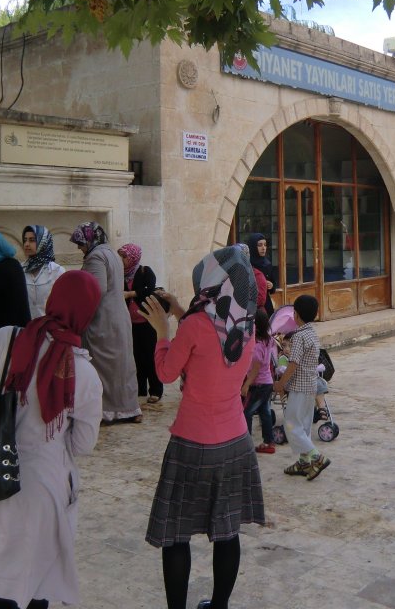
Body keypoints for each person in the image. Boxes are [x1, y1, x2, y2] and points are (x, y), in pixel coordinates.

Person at [0, 270, 104, 609]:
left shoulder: (7, 338)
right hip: (44, 487)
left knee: (0, 578)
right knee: (37, 585)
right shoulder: (86, 374)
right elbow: (83, 445)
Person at [139, 245, 264, 609]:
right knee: (227, 532)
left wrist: (163, 330)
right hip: (235, 441)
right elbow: (214, 339)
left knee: (176, 535)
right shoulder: (246, 324)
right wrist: (179, 311)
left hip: (192, 443)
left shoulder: (194, 326)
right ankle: (219, 605)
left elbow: (165, 372)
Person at [71, 222, 141, 424]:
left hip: (103, 320)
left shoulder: (95, 257)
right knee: (122, 366)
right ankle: (128, 408)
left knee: (104, 366)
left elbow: (96, 289)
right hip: (119, 317)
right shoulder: (111, 253)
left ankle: (107, 411)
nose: (80, 248)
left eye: (81, 243)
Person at [273, 295, 330, 480]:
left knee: (291, 424)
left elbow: (293, 363)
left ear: (295, 315)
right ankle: (304, 462)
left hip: (299, 387)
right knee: (303, 425)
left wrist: (281, 383)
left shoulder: (298, 337)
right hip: (310, 386)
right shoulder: (311, 333)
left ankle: (316, 457)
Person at [118, 242, 163, 404]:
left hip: (148, 321)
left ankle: (156, 390)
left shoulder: (145, 271)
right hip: (130, 323)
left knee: (150, 356)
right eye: (121, 256)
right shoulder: (120, 274)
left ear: (133, 257)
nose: (122, 259)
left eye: (125, 256)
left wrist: (130, 293)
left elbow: (150, 290)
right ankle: (140, 388)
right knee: (136, 356)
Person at [242, 308, 277, 454]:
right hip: (267, 382)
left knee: (247, 412)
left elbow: (255, 369)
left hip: (259, 384)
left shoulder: (256, 346)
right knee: (265, 412)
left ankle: (246, 445)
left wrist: (246, 384)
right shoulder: (268, 340)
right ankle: (268, 442)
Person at [22, 224, 65, 319]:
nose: (27, 244)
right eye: (25, 240)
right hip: (26, 329)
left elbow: (63, 304)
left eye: (32, 240)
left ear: (43, 242)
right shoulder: (20, 269)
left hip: (49, 329)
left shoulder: (57, 271)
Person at [245, 232, 277, 314]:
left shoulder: (267, 264)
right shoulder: (247, 264)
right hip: (250, 304)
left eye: (265, 245)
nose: (263, 248)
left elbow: (273, 286)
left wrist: (271, 285)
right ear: (253, 247)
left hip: (266, 305)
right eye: (260, 245)